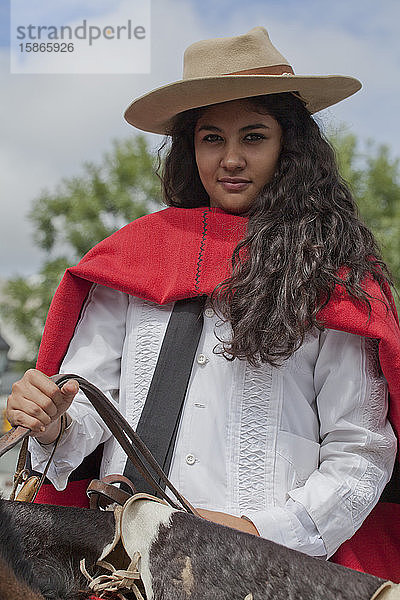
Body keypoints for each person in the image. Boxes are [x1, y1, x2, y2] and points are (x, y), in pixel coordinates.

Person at [6, 27, 400, 579]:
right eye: (212, 138)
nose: (231, 158)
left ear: (291, 145)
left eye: (254, 137)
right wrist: (50, 420)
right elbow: (89, 412)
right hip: (121, 565)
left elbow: (360, 449)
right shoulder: (133, 258)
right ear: (191, 150)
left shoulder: (331, 274)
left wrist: (261, 533)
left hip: (272, 570)